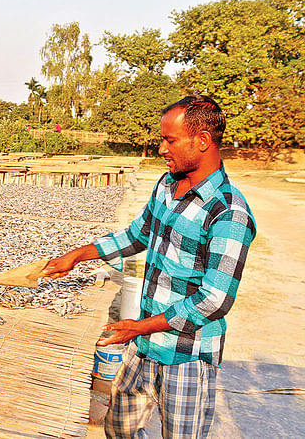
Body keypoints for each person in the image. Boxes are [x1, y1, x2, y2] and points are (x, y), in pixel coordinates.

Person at [40, 94, 255, 438]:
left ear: (202, 141)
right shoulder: (167, 185)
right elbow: (137, 236)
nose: (161, 149)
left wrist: (140, 327)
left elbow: (214, 299)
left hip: (187, 356)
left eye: (170, 140)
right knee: (118, 431)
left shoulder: (229, 212)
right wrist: (78, 255)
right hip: (143, 348)